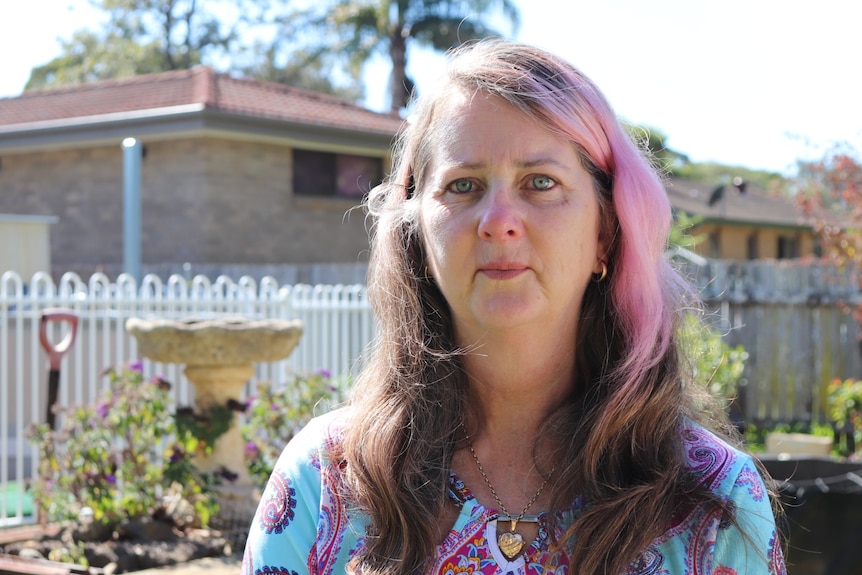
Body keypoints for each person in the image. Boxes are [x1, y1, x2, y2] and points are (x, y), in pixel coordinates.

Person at [242, 39, 786, 575]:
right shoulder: (321, 485)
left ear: (606, 231)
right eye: (464, 185)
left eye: (540, 183)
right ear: (418, 237)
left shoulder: (715, 504)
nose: (498, 219)